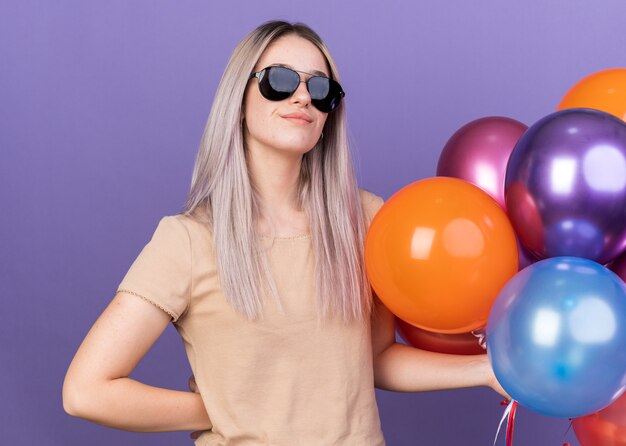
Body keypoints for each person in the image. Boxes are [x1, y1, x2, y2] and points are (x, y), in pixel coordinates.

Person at [63, 20, 508, 445]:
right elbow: (87, 391)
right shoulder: (188, 240)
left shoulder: (368, 220)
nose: (302, 99)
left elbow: (372, 362)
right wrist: (223, 411)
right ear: (239, 100)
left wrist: (486, 370)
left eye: (320, 89)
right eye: (279, 81)